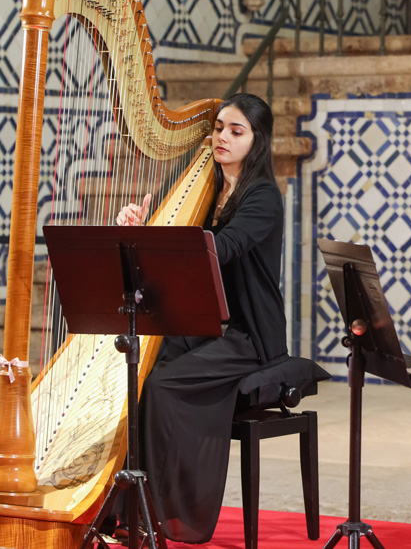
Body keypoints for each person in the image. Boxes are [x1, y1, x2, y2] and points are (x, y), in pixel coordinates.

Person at [113, 92, 287, 543]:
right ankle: (125, 508)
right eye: (219, 128)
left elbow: (221, 249)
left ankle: (167, 512)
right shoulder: (207, 186)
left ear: (258, 141)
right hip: (207, 326)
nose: (222, 137)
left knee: (163, 385)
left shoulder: (263, 196)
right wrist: (143, 227)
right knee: (140, 369)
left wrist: (164, 234)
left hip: (250, 336)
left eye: (236, 130)